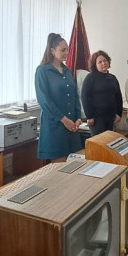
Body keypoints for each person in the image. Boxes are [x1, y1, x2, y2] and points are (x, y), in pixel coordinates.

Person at [35, 33, 82, 161]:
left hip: (72, 126)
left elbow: (75, 96)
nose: (66, 53)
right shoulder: (42, 71)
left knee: (74, 164)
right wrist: (63, 119)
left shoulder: (67, 71)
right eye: (63, 50)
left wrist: (78, 118)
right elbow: (44, 101)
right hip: (55, 126)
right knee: (59, 167)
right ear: (52, 51)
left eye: (67, 50)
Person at [81, 50, 123, 136]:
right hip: (96, 118)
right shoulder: (90, 77)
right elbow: (84, 97)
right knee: (98, 142)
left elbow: (118, 96)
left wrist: (119, 114)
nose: (103, 63)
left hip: (111, 117)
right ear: (95, 65)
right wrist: (89, 116)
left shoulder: (113, 78)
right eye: (99, 62)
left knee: (109, 141)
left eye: (105, 60)